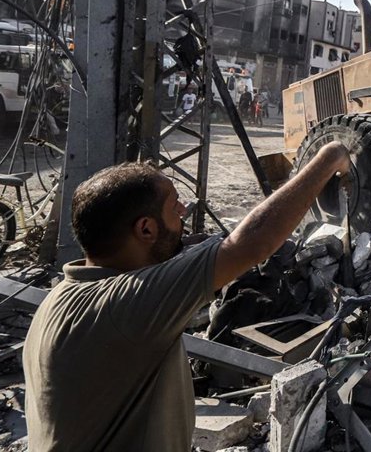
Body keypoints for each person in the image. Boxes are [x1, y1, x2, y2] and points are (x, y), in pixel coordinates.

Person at [23, 142, 351, 451]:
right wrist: (330, 156)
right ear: (146, 229)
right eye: (173, 205)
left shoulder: (59, 298)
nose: (183, 211)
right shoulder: (129, 302)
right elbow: (253, 242)